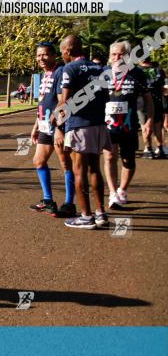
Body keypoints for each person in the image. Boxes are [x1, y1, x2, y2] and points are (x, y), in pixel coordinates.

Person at [56, 35, 110, 229]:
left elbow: (65, 101)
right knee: (95, 168)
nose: (62, 55)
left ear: (68, 50)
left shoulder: (69, 68)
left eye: (62, 52)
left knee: (80, 171)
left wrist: (56, 119)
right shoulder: (99, 68)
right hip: (99, 124)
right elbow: (105, 96)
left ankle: (86, 217)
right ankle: (101, 213)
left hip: (79, 124)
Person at [102, 41, 153, 210]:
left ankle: (122, 189)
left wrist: (149, 120)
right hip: (108, 124)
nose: (117, 58)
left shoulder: (137, 73)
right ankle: (112, 192)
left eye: (121, 54)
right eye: (114, 54)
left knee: (128, 160)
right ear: (110, 56)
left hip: (129, 125)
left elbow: (148, 99)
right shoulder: (104, 73)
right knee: (109, 157)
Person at [28, 41, 75, 217]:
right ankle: (48, 201)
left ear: (54, 55)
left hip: (58, 128)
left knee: (65, 163)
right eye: (38, 55)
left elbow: (62, 102)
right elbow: (43, 103)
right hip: (45, 126)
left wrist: (59, 129)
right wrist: (35, 127)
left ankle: (70, 203)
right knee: (38, 161)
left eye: (45, 54)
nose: (41, 58)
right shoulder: (45, 74)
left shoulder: (59, 72)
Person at [139, 59, 166, 159]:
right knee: (157, 126)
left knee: (145, 126)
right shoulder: (158, 70)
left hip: (143, 102)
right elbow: (162, 87)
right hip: (156, 100)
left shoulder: (137, 70)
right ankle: (160, 149)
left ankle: (149, 149)